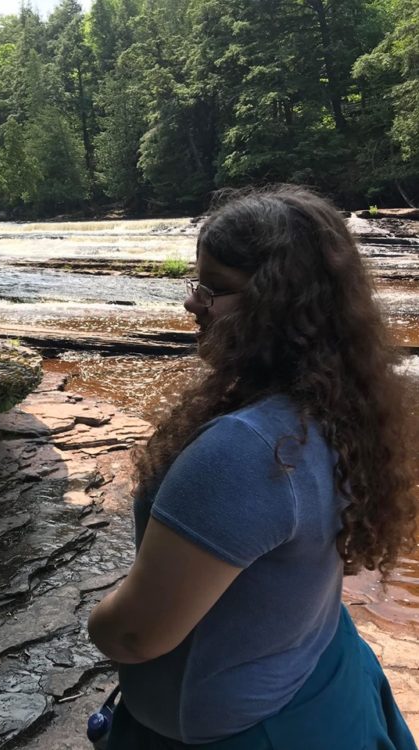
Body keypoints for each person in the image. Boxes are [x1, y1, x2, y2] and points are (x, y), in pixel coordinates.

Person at [87, 185, 418, 750]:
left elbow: (136, 634)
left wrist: (98, 620)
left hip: (238, 728)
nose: (193, 303)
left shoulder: (246, 450)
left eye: (214, 290)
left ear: (279, 306)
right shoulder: (348, 403)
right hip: (315, 671)